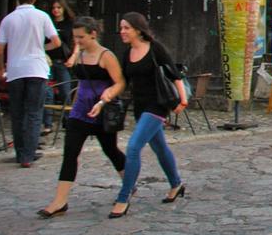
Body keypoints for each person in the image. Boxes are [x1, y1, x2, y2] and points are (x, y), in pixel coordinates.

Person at [37, 16, 127, 218]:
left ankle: (128, 183)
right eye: (75, 37)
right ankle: (60, 201)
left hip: (101, 110)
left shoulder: (106, 56)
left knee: (111, 149)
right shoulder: (79, 55)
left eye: (81, 37)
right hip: (80, 110)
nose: (77, 41)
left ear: (93, 34)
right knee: (70, 153)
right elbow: (80, 81)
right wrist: (71, 107)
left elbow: (120, 83)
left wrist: (106, 98)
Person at [111, 12, 187, 218]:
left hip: (158, 105)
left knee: (133, 147)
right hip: (140, 107)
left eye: (126, 28)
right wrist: (105, 97)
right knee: (160, 148)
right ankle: (176, 184)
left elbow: (174, 74)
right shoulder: (127, 54)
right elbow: (123, 82)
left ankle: (123, 197)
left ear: (138, 29)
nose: (122, 32)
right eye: (121, 28)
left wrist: (183, 99)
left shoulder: (155, 49)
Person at [0, 0, 61, 167]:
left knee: (17, 113)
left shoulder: (8, 19)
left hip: (16, 70)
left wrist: (0, 69)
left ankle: (20, 152)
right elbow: (56, 42)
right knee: (34, 112)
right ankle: (29, 154)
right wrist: (41, 48)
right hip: (37, 68)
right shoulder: (42, 16)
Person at [42, 0, 76, 135]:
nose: (56, 10)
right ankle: (48, 124)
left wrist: (73, 57)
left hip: (63, 61)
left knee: (65, 91)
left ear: (64, 9)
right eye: (54, 7)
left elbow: (76, 42)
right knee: (47, 92)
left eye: (59, 7)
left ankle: (67, 121)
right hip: (48, 61)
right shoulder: (47, 22)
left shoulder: (70, 24)